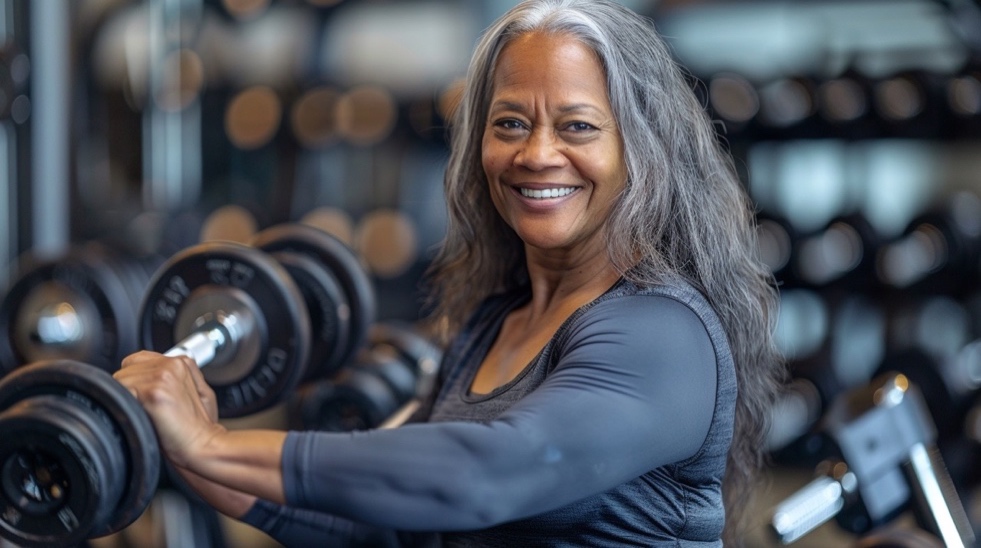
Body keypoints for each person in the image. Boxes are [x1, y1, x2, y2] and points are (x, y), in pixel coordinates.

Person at [114, 0, 784, 545]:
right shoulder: (494, 324)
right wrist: (213, 468)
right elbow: (399, 527)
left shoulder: (660, 333)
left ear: (642, 152)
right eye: (510, 123)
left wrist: (213, 444)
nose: (537, 153)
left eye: (577, 126)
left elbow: (482, 474)